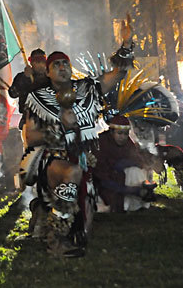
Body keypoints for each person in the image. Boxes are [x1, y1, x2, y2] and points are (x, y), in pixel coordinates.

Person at [23, 18, 134, 257]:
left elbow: (118, 73)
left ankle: (43, 211)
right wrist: (59, 129)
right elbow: (30, 137)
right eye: (57, 64)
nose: (62, 67)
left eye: (66, 63)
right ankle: (55, 242)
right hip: (55, 160)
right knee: (72, 173)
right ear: (49, 71)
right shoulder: (38, 97)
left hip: (86, 159)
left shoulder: (87, 88)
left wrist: (126, 42)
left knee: (83, 229)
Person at [91, 115, 159, 212]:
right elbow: (101, 176)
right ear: (111, 132)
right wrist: (128, 190)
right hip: (104, 186)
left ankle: (142, 203)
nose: (123, 137)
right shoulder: (100, 143)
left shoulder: (128, 143)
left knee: (137, 171)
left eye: (126, 134)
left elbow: (138, 160)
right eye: (120, 133)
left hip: (122, 180)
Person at [8, 48, 50, 129]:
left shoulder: (51, 77)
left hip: (49, 119)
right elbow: (13, 94)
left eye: (42, 61)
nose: (40, 64)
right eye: (37, 61)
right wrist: (25, 78)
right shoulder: (21, 77)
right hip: (28, 119)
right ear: (31, 62)